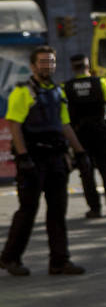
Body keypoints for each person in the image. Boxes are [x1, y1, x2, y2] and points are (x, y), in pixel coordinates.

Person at [1, 45, 88, 276]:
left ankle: (59, 261)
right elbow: (15, 125)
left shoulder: (57, 92)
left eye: (51, 61)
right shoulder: (22, 92)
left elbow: (64, 125)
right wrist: (23, 156)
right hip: (33, 159)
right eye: (42, 62)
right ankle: (10, 258)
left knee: (58, 210)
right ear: (32, 66)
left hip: (55, 159)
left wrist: (80, 152)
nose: (47, 66)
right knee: (28, 210)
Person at [64, 54, 106, 218]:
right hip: (100, 133)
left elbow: (63, 115)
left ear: (73, 67)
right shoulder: (100, 82)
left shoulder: (67, 87)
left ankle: (94, 209)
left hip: (79, 136)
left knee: (86, 172)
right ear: (87, 65)